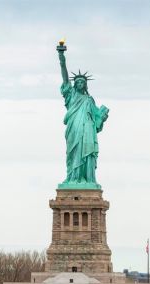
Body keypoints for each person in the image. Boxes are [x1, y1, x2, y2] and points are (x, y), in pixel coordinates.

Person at [57, 46, 109, 187]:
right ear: (74, 84)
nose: (80, 83)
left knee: (86, 153)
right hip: (74, 127)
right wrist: (62, 57)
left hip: (87, 131)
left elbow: (97, 120)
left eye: (82, 82)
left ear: (85, 84)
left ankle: (87, 179)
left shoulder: (89, 100)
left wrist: (102, 117)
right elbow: (64, 76)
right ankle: (72, 178)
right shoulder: (71, 95)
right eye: (77, 82)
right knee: (73, 153)